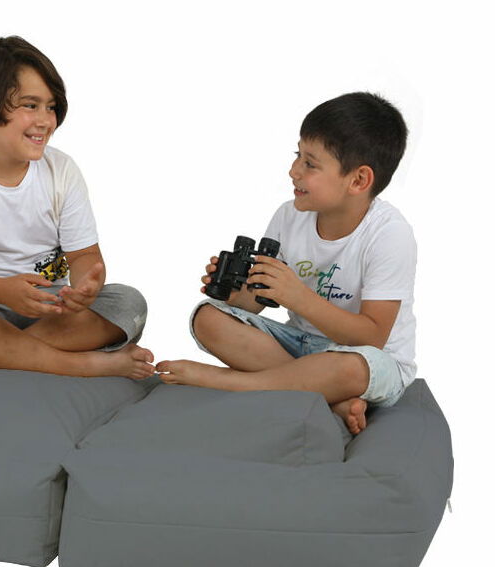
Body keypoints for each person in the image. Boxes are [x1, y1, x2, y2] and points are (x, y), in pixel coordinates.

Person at [156, 92, 416, 435]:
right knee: (208, 318)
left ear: (358, 180)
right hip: (299, 347)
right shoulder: (288, 216)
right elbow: (258, 301)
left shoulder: (389, 234)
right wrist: (235, 296)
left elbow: (373, 337)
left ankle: (229, 381)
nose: (294, 171)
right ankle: (327, 396)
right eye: (298, 156)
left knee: (351, 369)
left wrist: (299, 297)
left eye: (310, 163)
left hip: (367, 359)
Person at [0, 36, 153, 379]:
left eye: (50, 107)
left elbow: (84, 256)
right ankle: (81, 364)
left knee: (128, 302)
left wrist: (85, 288)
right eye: (30, 105)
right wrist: (1, 291)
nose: (46, 121)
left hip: (51, 308)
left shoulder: (61, 170)